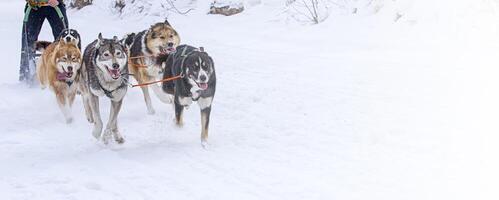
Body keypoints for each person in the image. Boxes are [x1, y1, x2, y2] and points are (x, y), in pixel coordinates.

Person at [19, 0, 68, 85]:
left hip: (55, 6)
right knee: (28, 41)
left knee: (63, 40)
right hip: (34, 6)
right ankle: (26, 76)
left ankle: (63, 75)